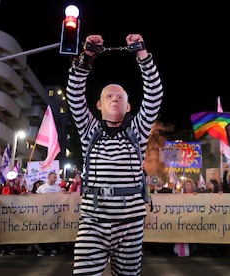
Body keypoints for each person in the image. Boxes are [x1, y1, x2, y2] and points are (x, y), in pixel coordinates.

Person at [66, 33, 163, 275]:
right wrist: (87, 57)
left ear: (128, 106)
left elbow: (154, 95)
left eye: (120, 97)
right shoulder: (89, 130)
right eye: (109, 96)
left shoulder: (137, 132)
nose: (115, 99)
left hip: (130, 224)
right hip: (93, 221)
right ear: (98, 104)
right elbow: (74, 94)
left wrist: (142, 54)